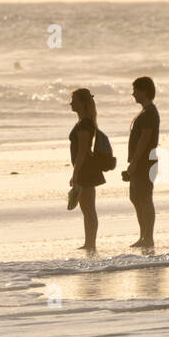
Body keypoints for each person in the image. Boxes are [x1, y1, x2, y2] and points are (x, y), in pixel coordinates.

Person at [67, 88, 105, 252]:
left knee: (88, 209)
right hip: (86, 168)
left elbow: (83, 151)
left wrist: (75, 173)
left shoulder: (85, 124)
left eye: (74, 100)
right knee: (86, 208)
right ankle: (89, 242)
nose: (71, 103)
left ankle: (90, 243)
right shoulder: (85, 121)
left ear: (82, 103)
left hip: (86, 169)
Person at [125, 76, 159, 247]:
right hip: (141, 162)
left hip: (145, 162)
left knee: (145, 198)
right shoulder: (145, 112)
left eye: (135, 90)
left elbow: (145, 139)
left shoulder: (149, 113)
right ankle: (143, 235)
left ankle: (148, 237)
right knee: (135, 197)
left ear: (144, 91)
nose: (133, 94)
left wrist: (134, 162)